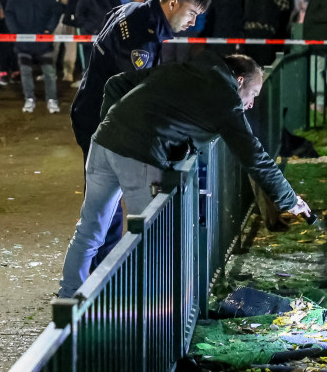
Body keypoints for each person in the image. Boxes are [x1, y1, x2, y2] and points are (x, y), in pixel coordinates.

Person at [57, 51, 311, 298]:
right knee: (152, 238)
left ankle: (68, 299)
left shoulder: (183, 69)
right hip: (140, 155)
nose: (252, 103)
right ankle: (145, 311)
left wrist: (114, 125)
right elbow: (255, 156)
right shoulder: (225, 98)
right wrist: (290, 200)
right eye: (254, 93)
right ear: (240, 80)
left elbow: (116, 83)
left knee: (89, 230)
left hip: (103, 142)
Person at [71, 0, 210, 269]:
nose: (193, 23)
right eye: (192, 13)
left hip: (95, 114)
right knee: (107, 208)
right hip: (101, 120)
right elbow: (135, 95)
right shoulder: (140, 36)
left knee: (107, 205)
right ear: (173, 3)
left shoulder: (137, 12)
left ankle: (97, 279)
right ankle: (98, 284)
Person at [5, 0, 62, 113]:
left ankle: (52, 100)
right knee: (25, 71)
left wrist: (48, 30)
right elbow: (9, 13)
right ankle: (29, 99)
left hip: (43, 40)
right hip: (23, 40)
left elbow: (55, 12)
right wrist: (16, 32)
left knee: (49, 72)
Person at [74, 0, 121, 68]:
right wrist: (94, 30)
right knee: (92, 72)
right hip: (92, 39)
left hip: (110, 40)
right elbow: (80, 15)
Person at [244, 0, 291, 65]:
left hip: (249, 31)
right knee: (262, 66)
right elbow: (285, 5)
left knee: (250, 66)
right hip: (264, 30)